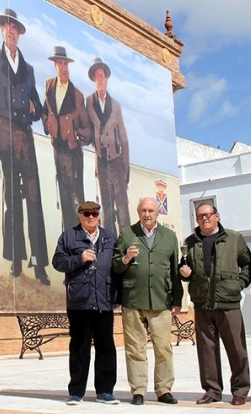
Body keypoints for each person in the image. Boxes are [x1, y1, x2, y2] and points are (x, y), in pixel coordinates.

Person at [0, 8, 50, 285]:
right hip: (4, 136)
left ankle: (39, 264)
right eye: (7, 27)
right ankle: (17, 260)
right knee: (12, 199)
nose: (11, 31)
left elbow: (39, 108)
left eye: (15, 28)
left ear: (19, 34)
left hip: (26, 140)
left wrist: (35, 110)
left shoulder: (29, 69)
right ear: (1, 30)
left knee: (34, 199)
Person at [179, 203, 251, 406]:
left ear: (217, 216)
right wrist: (184, 272)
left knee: (237, 349)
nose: (204, 219)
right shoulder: (190, 242)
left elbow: (248, 263)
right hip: (202, 302)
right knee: (206, 350)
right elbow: (184, 266)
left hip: (228, 302)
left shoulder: (233, 237)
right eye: (200, 216)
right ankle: (212, 390)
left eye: (208, 215)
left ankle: (240, 390)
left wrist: (240, 283)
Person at [113, 196, 183, 406]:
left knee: (163, 347)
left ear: (157, 212)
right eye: (143, 210)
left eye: (151, 210)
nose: (147, 214)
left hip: (161, 299)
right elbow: (116, 266)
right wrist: (125, 258)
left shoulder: (169, 236)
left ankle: (163, 389)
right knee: (135, 348)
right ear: (138, 212)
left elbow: (174, 270)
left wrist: (177, 298)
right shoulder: (127, 234)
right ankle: (138, 391)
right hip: (133, 299)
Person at [52, 201, 119, 406]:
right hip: (79, 301)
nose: (91, 217)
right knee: (79, 348)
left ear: (99, 216)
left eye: (95, 214)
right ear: (80, 215)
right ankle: (76, 392)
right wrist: (79, 258)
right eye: (86, 213)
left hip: (104, 300)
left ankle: (105, 391)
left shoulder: (109, 237)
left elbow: (116, 268)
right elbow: (57, 262)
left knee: (106, 347)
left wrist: (117, 297)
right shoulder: (69, 236)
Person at [43, 46, 92, 231]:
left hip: (72, 152)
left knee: (75, 195)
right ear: (55, 65)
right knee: (63, 193)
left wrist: (76, 137)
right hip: (58, 148)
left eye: (66, 64)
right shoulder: (49, 84)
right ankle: (67, 235)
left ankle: (79, 234)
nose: (63, 67)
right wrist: (49, 126)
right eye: (60, 64)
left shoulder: (77, 95)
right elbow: (45, 110)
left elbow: (87, 128)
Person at [85, 58, 129, 237]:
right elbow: (87, 127)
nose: (100, 79)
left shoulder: (116, 105)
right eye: (96, 76)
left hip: (116, 160)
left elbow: (124, 139)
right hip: (101, 162)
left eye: (102, 75)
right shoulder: (89, 102)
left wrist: (125, 170)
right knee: (107, 207)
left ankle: (126, 243)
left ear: (106, 78)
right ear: (94, 79)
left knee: (122, 207)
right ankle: (110, 245)